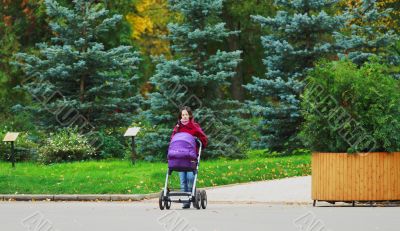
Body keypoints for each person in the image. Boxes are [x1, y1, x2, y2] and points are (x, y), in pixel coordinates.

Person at [170, 106, 207, 208]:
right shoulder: (177, 128)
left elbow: (203, 138)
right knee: (183, 180)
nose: (185, 117)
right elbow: (173, 139)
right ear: (180, 116)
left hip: (191, 157)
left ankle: (192, 196)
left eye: (186, 114)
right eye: (183, 115)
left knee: (190, 178)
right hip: (180, 156)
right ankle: (186, 201)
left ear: (190, 115)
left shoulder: (194, 126)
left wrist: (200, 143)